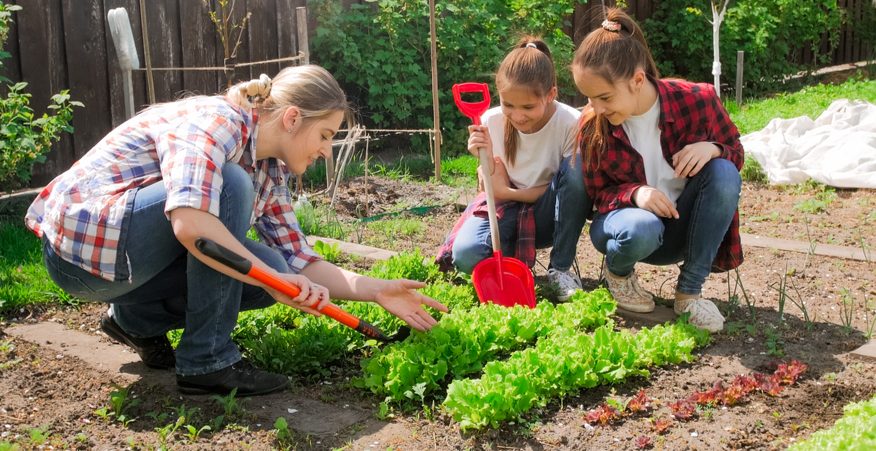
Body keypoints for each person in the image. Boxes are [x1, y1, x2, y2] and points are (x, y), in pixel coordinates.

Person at [25, 65, 448, 396]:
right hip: (82, 254)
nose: (325, 149)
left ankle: (135, 320)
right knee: (232, 191)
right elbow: (193, 227)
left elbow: (300, 259)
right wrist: (273, 276)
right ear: (292, 118)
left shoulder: (268, 169)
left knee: (272, 264)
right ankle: (207, 363)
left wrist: (376, 289)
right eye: (325, 135)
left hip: (126, 267)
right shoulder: (217, 121)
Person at [571, 8, 744, 332]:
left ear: (637, 80)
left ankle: (689, 295)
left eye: (604, 97)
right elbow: (598, 195)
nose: (597, 108)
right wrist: (636, 193)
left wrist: (714, 148)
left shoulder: (698, 100)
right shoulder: (593, 125)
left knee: (723, 173)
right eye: (591, 98)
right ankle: (618, 275)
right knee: (641, 226)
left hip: (682, 231)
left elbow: (736, 152)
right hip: (627, 230)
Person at [436, 37, 591, 302]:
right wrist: (481, 158)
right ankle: (510, 264)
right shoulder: (488, 121)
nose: (518, 115)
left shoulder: (570, 123)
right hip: (505, 210)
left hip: (550, 213)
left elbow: (568, 187)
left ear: (551, 94)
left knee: (577, 170)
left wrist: (506, 190)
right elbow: (490, 191)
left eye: (528, 107)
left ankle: (560, 269)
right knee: (467, 256)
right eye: (508, 105)